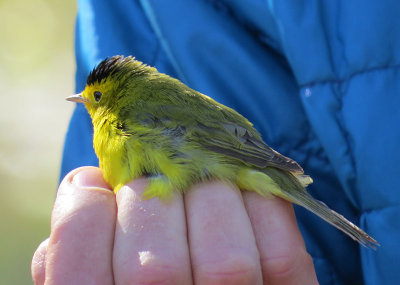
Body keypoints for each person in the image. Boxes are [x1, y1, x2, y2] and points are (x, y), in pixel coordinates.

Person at [32, 1, 400, 284]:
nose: (86, 102)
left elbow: (205, 135)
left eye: (94, 97)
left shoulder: (127, 119)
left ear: (113, 100)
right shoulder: (141, 22)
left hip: (235, 160)